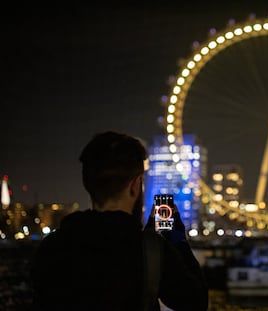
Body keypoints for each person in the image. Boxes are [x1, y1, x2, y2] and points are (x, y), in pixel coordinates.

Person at [30, 131, 209, 311]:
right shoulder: (149, 250)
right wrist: (175, 237)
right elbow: (195, 302)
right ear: (135, 185)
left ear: (87, 183)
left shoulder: (52, 246)